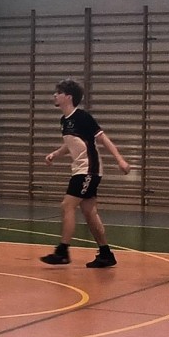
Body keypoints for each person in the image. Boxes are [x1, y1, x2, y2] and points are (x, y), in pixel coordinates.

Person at [40, 78, 130, 268]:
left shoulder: (82, 117)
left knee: (67, 205)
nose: (54, 95)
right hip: (80, 169)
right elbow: (71, 144)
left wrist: (120, 160)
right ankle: (106, 254)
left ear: (68, 97)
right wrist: (55, 154)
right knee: (89, 212)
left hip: (89, 169)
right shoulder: (65, 120)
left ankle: (62, 252)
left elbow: (103, 139)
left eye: (58, 93)